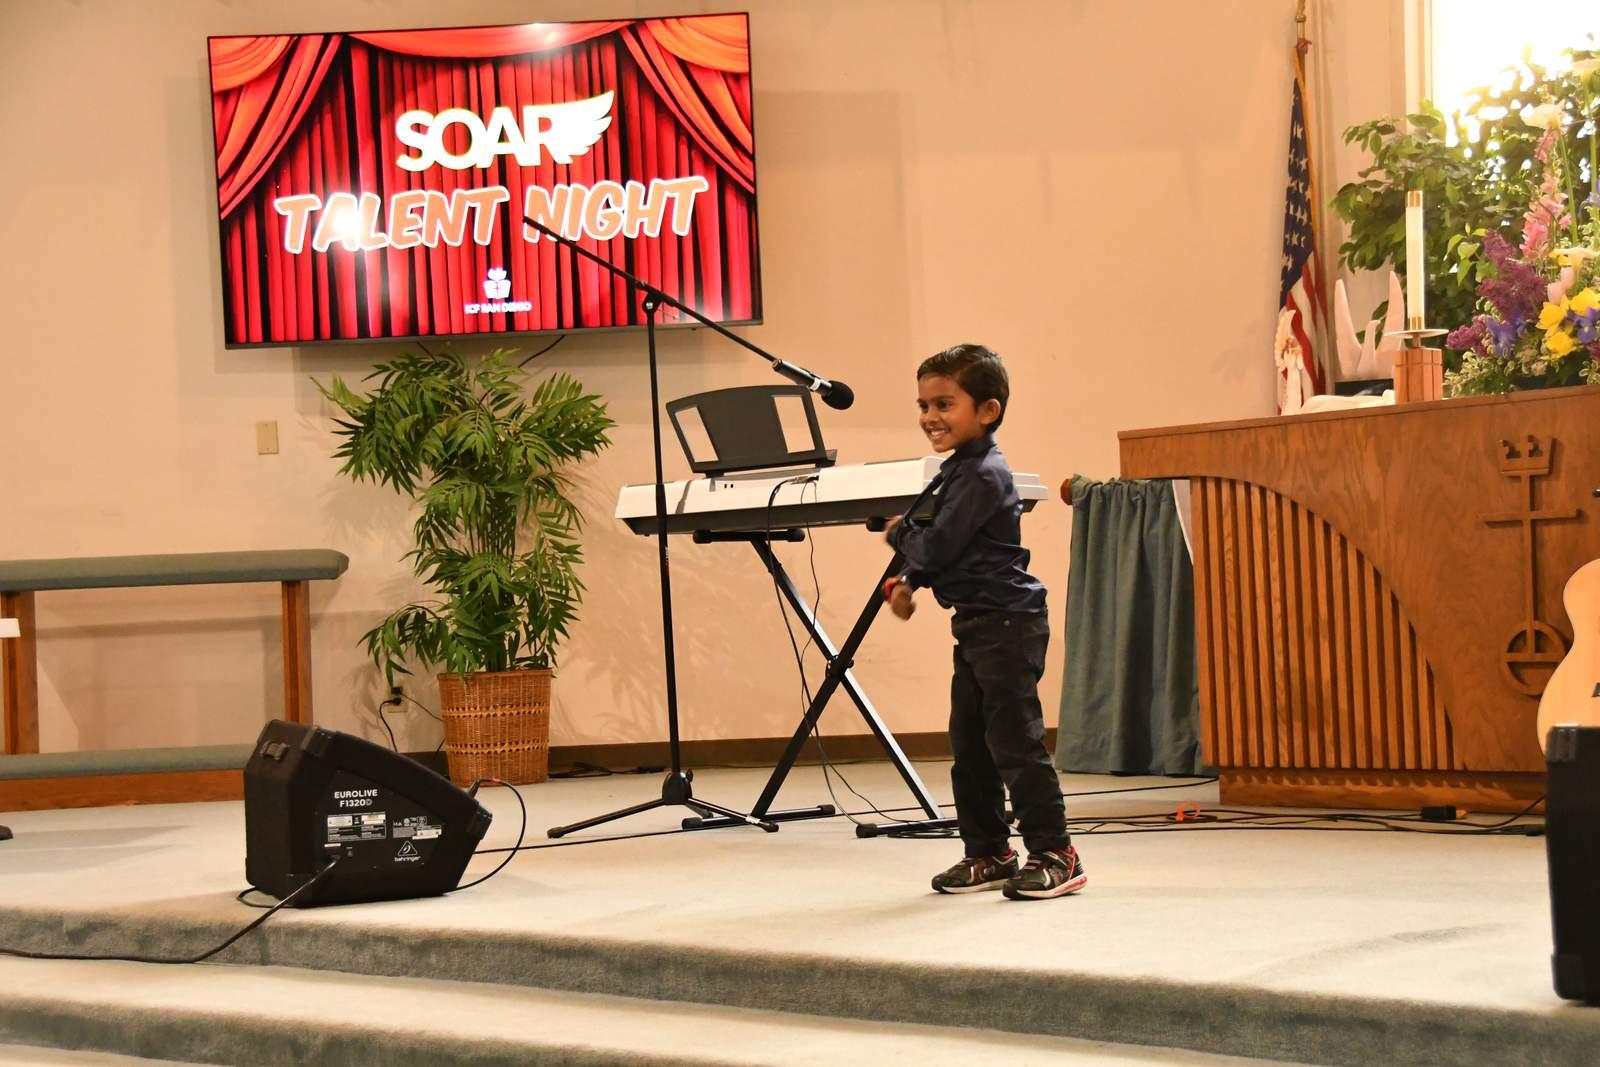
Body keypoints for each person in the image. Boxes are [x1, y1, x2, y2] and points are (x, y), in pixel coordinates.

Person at [883, 343, 1086, 900]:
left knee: (1015, 743)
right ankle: (989, 852)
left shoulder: (983, 475)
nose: (930, 416)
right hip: (977, 623)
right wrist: (908, 580)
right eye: (923, 405)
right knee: (971, 746)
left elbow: (939, 543)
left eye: (944, 404)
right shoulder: (959, 471)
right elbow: (946, 546)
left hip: (1008, 623)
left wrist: (899, 534)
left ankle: (1056, 852)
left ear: (988, 410)